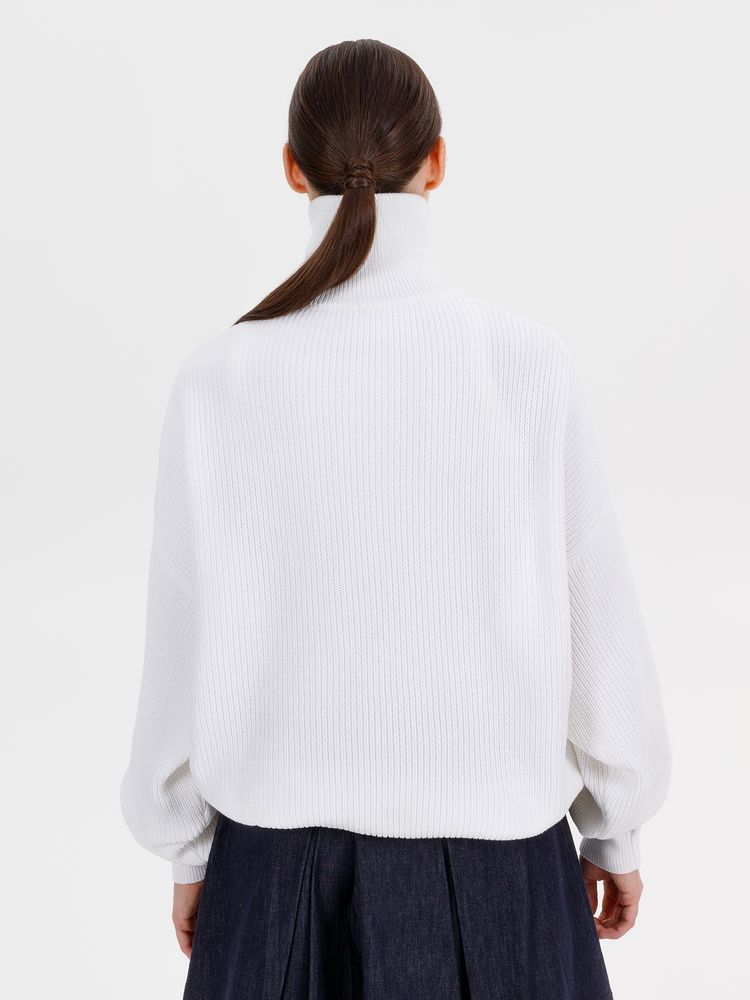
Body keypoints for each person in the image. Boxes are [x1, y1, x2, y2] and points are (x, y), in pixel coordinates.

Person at [120, 38, 671, 1000]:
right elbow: (596, 612)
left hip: (274, 879)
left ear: (293, 169)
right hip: (504, 882)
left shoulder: (220, 380)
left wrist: (188, 852)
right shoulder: (525, 365)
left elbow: (182, 637)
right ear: (439, 162)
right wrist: (615, 827)